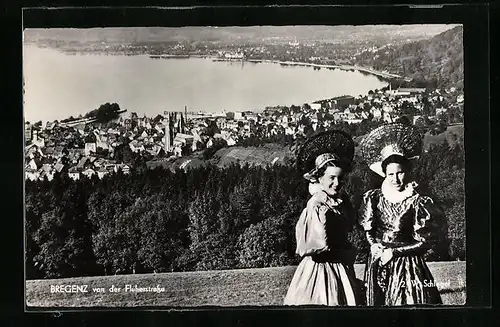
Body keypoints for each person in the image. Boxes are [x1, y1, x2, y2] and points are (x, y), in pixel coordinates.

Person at [358, 123, 444, 306]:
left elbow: (425, 241)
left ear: (407, 171)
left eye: (400, 173)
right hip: (378, 262)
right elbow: (369, 229)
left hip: (407, 265)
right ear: (384, 174)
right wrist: (373, 246)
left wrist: (395, 252)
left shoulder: (417, 201)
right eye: (390, 174)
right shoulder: (374, 198)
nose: (395, 179)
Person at [283, 130, 359, 306]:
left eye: (340, 178)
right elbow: (317, 247)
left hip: (340, 266)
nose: (337, 183)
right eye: (331, 178)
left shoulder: (339, 203)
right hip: (321, 269)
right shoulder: (317, 205)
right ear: (319, 178)